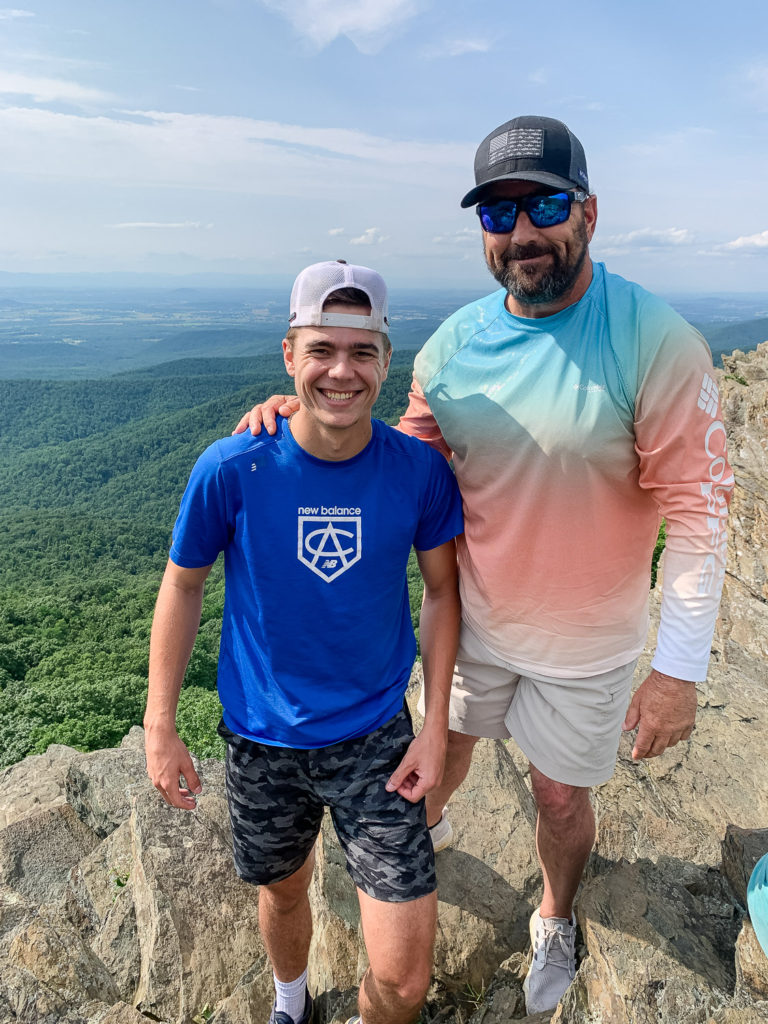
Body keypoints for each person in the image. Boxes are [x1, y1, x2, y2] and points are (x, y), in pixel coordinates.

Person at [234, 116, 733, 1014]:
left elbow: (700, 514)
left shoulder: (654, 341)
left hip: (586, 641)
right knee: (441, 754)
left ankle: (554, 913)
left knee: (557, 795)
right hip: (470, 623)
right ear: (482, 229)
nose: (522, 232)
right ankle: (413, 851)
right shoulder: (454, 349)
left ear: (587, 211)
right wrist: (303, 419)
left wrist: (677, 672)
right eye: (499, 213)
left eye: (544, 204)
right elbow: (400, 464)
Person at [144, 259, 463, 1024]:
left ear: (387, 362)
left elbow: (445, 592)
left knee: (405, 980)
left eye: (362, 353)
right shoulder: (233, 467)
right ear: (289, 355)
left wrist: (436, 726)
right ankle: (292, 1002)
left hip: (376, 741)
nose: (341, 371)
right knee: (283, 888)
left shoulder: (418, 471)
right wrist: (160, 723)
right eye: (321, 349)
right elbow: (183, 584)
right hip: (261, 738)